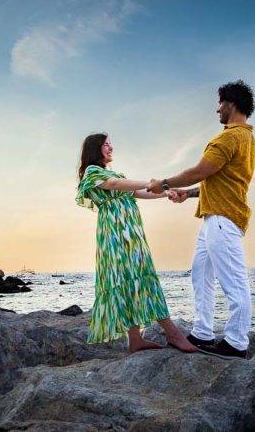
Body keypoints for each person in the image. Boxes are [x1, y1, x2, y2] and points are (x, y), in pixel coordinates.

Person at [149, 80, 255, 360]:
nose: (217, 109)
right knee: (200, 274)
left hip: (223, 218)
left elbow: (200, 171)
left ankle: (236, 342)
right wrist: (188, 193)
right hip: (214, 217)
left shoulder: (229, 137)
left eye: (220, 103)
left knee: (234, 282)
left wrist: (162, 183)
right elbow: (220, 179)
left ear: (230, 104)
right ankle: (203, 332)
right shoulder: (247, 138)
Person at [76, 133, 196, 354]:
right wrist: (154, 182)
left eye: (110, 144)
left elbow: (136, 193)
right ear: (95, 149)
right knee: (136, 273)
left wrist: (163, 192)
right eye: (105, 145)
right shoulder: (94, 172)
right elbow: (114, 184)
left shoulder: (109, 173)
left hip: (129, 232)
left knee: (132, 276)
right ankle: (173, 333)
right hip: (116, 233)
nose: (110, 148)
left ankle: (135, 339)